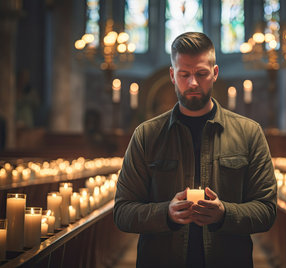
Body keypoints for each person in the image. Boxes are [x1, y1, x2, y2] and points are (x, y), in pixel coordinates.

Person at [113, 32, 277, 268]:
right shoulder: (146, 135)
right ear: (172, 75)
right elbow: (122, 211)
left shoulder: (249, 133)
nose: (192, 83)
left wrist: (225, 214)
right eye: (184, 74)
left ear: (215, 73)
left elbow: (267, 209)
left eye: (201, 74)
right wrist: (166, 214)